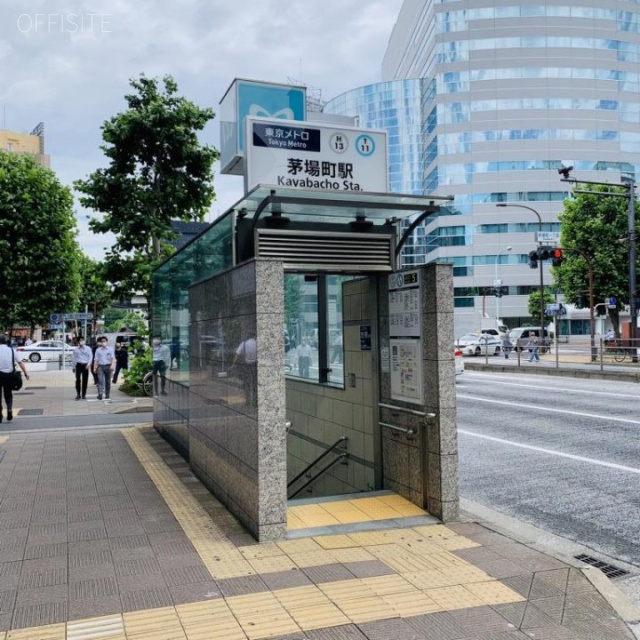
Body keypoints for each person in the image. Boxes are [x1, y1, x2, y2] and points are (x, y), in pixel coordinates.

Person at [0, 334, 29, 422]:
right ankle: (9, 409)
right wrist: (25, 373)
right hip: (9, 375)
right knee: (8, 394)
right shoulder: (12, 350)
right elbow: (20, 362)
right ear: (6, 341)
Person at [232, 335, 257, 406]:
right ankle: (255, 401)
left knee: (247, 384)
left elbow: (237, 354)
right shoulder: (257, 343)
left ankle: (248, 400)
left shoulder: (244, 343)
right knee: (255, 384)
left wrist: (233, 364)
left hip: (247, 367)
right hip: (255, 366)